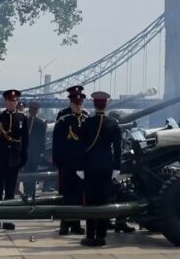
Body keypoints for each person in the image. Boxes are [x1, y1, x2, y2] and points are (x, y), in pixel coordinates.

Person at [79, 91, 121, 247]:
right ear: (106, 104)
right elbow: (117, 149)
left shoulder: (86, 123)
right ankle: (101, 236)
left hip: (89, 167)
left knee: (90, 202)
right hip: (106, 167)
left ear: (94, 103)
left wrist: (80, 167)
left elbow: (80, 147)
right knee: (104, 201)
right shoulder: (113, 124)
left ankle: (90, 235)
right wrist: (116, 167)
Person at [0, 89, 28, 231]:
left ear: (17, 102)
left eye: (14, 101)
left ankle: (8, 220)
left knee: (10, 192)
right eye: (9, 100)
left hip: (14, 160)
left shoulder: (22, 118)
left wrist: (23, 158)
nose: (11, 103)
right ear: (5, 102)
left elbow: (25, 140)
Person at [52, 85, 88, 236]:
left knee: (79, 194)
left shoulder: (86, 117)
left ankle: (76, 224)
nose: (78, 106)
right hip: (67, 163)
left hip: (81, 163)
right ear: (71, 102)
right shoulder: (63, 118)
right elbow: (57, 142)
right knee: (67, 194)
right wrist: (58, 161)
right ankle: (65, 224)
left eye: (80, 103)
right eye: (76, 103)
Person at [22, 100, 47, 199]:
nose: (33, 111)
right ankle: (28, 192)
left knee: (31, 173)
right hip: (28, 152)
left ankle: (30, 192)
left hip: (32, 153)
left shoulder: (39, 123)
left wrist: (41, 152)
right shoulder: (25, 121)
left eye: (34, 109)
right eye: (33, 109)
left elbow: (42, 139)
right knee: (28, 173)